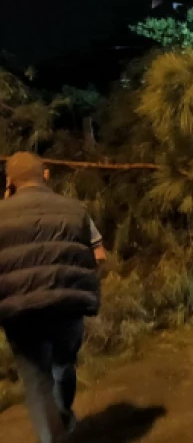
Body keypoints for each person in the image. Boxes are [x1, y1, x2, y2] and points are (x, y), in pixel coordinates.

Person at [0, 152, 105, 442]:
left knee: (36, 382)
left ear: (9, 181)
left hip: (19, 310)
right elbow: (99, 254)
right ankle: (63, 414)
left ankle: (53, 435)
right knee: (63, 363)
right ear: (45, 175)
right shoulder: (74, 209)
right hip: (67, 303)